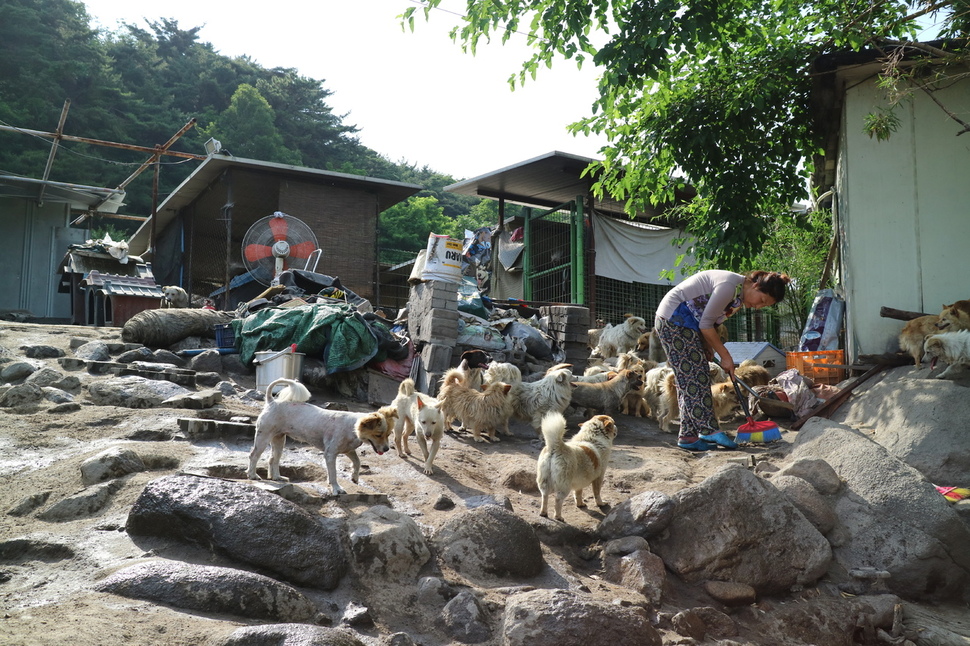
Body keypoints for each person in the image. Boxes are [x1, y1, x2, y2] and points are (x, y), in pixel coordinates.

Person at [654, 269, 790, 451]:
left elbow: (709, 322)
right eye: (762, 300)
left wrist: (707, 346)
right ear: (756, 286)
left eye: (763, 306)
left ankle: (688, 435)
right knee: (694, 379)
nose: (758, 307)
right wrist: (725, 356)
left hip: (687, 326)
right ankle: (708, 429)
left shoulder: (737, 298)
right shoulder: (729, 286)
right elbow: (705, 324)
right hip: (675, 321)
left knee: (694, 377)